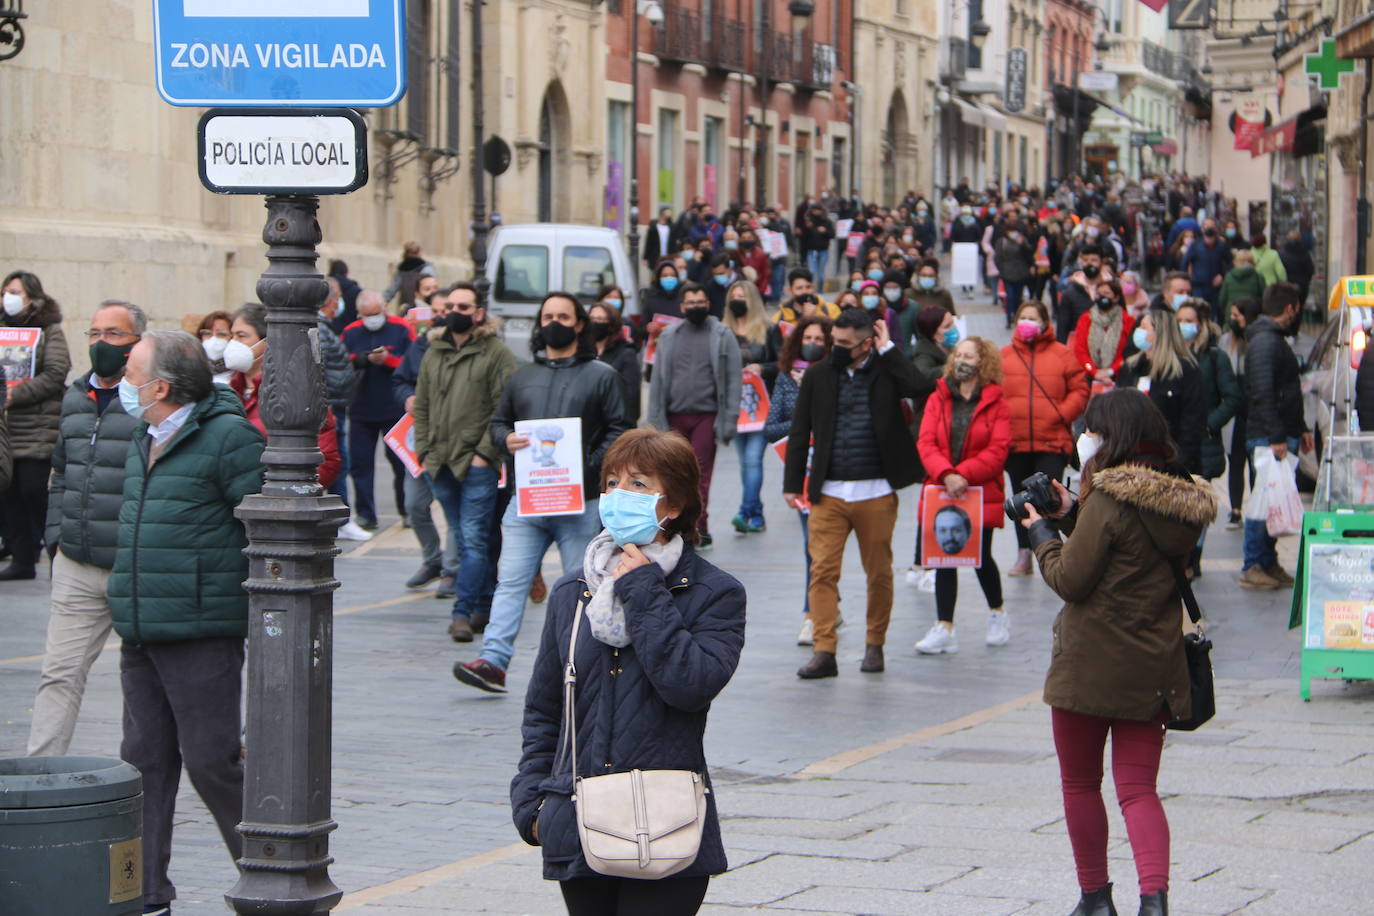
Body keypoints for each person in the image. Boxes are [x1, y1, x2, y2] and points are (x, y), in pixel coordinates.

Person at [509, 428, 745, 916]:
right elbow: (545, 709)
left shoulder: (714, 593)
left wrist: (643, 588)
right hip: (578, 821)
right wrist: (532, 803)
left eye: (637, 485)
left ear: (674, 504)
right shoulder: (573, 590)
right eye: (611, 482)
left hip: (667, 822)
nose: (619, 496)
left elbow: (690, 685)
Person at [1022, 388, 1216, 916]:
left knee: (1081, 783)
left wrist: (1041, 533)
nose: (1085, 438)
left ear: (1111, 439)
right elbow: (1130, 550)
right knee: (1138, 790)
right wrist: (1072, 512)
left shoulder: (1107, 497)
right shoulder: (1179, 502)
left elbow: (1071, 577)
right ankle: (1154, 900)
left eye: (1092, 430)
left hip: (1088, 666)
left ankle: (1095, 898)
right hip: (1152, 664)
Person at [106, 330, 266, 916]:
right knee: (142, 766)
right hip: (143, 627)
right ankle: (146, 896)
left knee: (212, 762)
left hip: (201, 632)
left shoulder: (229, 438)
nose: (124, 383)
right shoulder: (143, 435)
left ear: (162, 387)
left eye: (132, 373)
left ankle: (271, 874)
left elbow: (266, 531)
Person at [454, 292, 628, 693]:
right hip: (528, 500)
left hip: (580, 501)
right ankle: (493, 662)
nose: (555, 322)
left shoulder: (601, 376)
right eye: (548, 315)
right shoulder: (522, 375)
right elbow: (498, 424)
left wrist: (584, 467)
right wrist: (506, 439)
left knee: (580, 589)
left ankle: (582, 666)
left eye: (564, 316)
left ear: (579, 323)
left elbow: (620, 430)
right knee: (510, 581)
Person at [27, 300, 145, 757]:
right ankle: (40, 773)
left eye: (113, 334)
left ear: (137, 343)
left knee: (142, 680)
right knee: (59, 672)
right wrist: (56, 538)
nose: (101, 343)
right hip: (76, 561)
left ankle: (143, 777)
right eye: (94, 333)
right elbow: (61, 472)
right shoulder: (75, 396)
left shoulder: (148, 401)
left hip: (132, 563)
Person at [786, 311, 932, 678]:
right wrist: (792, 485)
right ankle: (824, 649)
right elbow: (801, 430)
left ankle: (874, 645)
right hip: (828, 493)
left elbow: (920, 386)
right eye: (834, 341)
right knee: (821, 572)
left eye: (845, 344)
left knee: (879, 573)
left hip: (876, 492)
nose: (836, 348)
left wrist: (889, 351)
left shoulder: (887, 371)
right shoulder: (818, 375)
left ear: (867, 343)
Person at [413, 288, 519, 640]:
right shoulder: (434, 352)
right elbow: (423, 404)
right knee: (470, 536)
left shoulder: (497, 354)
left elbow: (503, 408)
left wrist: (484, 454)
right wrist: (425, 451)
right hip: (439, 462)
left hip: (477, 463)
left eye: (464, 306)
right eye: (452, 306)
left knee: (473, 538)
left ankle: (461, 612)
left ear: (478, 313)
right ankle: (483, 606)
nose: (456, 311)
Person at [915, 337, 1012, 652]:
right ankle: (945, 626)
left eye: (969, 355)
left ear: (983, 362)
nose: (961, 360)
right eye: (958, 354)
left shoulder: (996, 402)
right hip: (943, 489)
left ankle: (997, 612)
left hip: (980, 489)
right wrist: (946, 473)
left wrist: (964, 474)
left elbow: (998, 450)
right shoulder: (938, 397)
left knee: (981, 555)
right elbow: (926, 441)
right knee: (943, 557)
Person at [646, 282, 743, 549]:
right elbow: (658, 380)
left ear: (708, 304)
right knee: (671, 474)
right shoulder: (669, 335)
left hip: (706, 416)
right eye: (690, 303)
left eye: (700, 302)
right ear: (682, 307)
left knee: (700, 474)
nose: (695, 307)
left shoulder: (722, 335)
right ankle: (674, 525)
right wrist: (655, 418)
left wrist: (730, 419)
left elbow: (735, 379)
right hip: (674, 416)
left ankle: (699, 526)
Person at [1002, 301, 1090, 577]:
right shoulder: (1004, 356)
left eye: (1033, 317)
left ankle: (1050, 550)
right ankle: (1024, 553)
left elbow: (1080, 389)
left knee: (1047, 497)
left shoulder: (1062, 354)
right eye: (1022, 317)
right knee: (1020, 499)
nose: (1027, 321)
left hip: (1051, 440)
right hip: (1015, 442)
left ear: (1044, 322)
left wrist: (1061, 413)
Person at [764, 316, 832, 645]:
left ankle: (823, 606)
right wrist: (802, 422)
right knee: (812, 547)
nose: (814, 343)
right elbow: (771, 427)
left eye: (820, 338)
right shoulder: (786, 378)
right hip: (802, 475)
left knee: (824, 548)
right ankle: (812, 613)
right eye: (809, 337)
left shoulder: (836, 376)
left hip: (835, 471)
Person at [0, 270, 71, 580]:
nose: (8, 298)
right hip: (7, 428)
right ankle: (22, 559)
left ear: (33, 297)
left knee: (33, 489)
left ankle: (53, 549)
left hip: (37, 426)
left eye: (15, 292)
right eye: (5, 292)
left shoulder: (50, 331)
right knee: (9, 492)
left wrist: (17, 393)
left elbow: (56, 372)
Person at [1239, 282, 1310, 590]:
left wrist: (1301, 427)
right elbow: (1263, 393)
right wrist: (1277, 435)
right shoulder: (1266, 342)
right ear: (1290, 308)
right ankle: (1253, 563)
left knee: (1273, 501)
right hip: (1269, 436)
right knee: (1263, 499)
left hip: (1280, 432)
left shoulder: (1272, 340)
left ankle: (1267, 561)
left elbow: (1285, 391)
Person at [228, 303, 341, 488]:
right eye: (231, 336)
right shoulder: (229, 391)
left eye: (241, 336)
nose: (233, 343)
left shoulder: (297, 388)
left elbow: (327, 460)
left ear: (266, 341)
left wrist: (284, 490)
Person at [392, 286, 460, 594]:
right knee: (415, 505)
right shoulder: (420, 345)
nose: (443, 317)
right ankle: (432, 558)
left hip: (455, 441)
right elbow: (401, 381)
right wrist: (407, 397)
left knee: (453, 508)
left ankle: (452, 569)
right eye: (439, 311)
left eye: (449, 310)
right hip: (420, 441)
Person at [1176, 299, 1243, 578]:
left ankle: (1193, 557)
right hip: (1174, 441)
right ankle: (1181, 556)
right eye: (1180, 320)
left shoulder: (1215, 357)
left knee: (1198, 504)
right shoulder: (1167, 355)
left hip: (1203, 444)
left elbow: (1232, 398)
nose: (1184, 326)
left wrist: (1210, 424)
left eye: (1190, 320)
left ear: (1201, 325)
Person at [341, 289, 415, 530]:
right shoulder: (350, 331)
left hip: (394, 407)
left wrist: (389, 360)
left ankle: (407, 510)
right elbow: (340, 362)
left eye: (375, 313)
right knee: (360, 465)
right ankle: (366, 514)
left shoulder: (401, 328)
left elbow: (414, 362)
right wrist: (360, 359)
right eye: (367, 315)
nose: (372, 318)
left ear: (384, 309)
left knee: (401, 464)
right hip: (361, 408)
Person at [1115, 307, 1205, 475]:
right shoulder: (1130, 367)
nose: (1138, 331)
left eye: (1144, 327)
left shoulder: (1185, 370)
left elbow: (1192, 422)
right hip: (1130, 460)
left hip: (1170, 462)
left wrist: (1181, 463)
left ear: (1160, 333)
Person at [722, 280, 777, 534]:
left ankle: (745, 510)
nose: (738, 300)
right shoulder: (722, 331)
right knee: (746, 462)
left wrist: (762, 368)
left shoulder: (768, 329)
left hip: (761, 406)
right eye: (734, 296)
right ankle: (756, 513)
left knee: (754, 459)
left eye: (742, 295)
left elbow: (783, 363)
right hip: (735, 407)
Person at [1220, 296, 1262, 529]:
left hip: (1253, 411)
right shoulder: (1227, 341)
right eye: (1232, 315)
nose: (1233, 319)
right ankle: (1235, 510)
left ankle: (1255, 507)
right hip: (1234, 413)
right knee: (1235, 461)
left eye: (1237, 315)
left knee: (1256, 463)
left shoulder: (1257, 341)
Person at [1072, 278, 1134, 387]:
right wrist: (1094, 372)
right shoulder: (1085, 319)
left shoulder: (1128, 321)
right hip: (1089, 376)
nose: (1102, 297)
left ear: (1116, 298)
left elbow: (1128, 352)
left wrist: (1110, 371)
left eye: (1106, 293)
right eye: (1099, 294)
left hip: (1118, 378)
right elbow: (1080, 349)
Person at [588, 300, 641, 425]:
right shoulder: (582, 351)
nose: (595, 323)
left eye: (600, 319)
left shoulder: (626, 353)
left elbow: (631, 397)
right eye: (592, 318)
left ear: (611, 325)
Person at [1056, 244, 1110, 344]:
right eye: (1085, 260)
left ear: (1102, 262)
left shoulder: (1112, 288)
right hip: (1080, 345)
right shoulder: (1070, 292)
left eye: (1094, 260)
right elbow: (1063, 327)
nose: (1089, 264)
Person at [1180, 220, 1232, 307]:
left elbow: (1230, 263)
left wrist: (1222, 275)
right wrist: (1186, 280)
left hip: (1216, 287)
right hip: (1198, 285)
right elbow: (1185, 263)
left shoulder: (1222, 246)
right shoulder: (1196, 246)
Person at [382, 240, 435, 315]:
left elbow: (392, 290)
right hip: (423, 307)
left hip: (405, 306)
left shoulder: (401, 269)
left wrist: (382, 302)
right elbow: (431, 286)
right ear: (419, 253)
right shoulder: (426, 268)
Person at [1218, 248, 1266, 316]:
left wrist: (1227, 312)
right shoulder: (1258, 277)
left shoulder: (1229, 277)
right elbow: (1264, 298)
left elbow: (1222, 299)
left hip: (1232, 315)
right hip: (1252, 316)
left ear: (1236, 261)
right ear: (1252, 261)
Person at [799, 202, 835, 281]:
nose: (816, 212)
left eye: (818, 210)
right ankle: (812, 289)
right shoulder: (808, 221)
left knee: (821, 274)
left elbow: (832, 234)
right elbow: (803, 237)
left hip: (823, 250)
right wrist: (807, 228)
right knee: (812, 272)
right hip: (811, 250)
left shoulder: (827, 221)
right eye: (814, 210)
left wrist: (825, 231)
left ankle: (820, 291)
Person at [1278, 230, 1315, 305]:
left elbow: (1279, 270)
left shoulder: (1281, 253)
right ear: (1300, 239)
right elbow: (1310, 270)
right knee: (1299, 309)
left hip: (1286, 285)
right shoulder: (1305, 253)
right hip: (1302, 286)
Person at [327, 258, 363, 333]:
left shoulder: (323, 286)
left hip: (328, 330)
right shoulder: (355, 290)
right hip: (350, 331)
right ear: (346, 272)